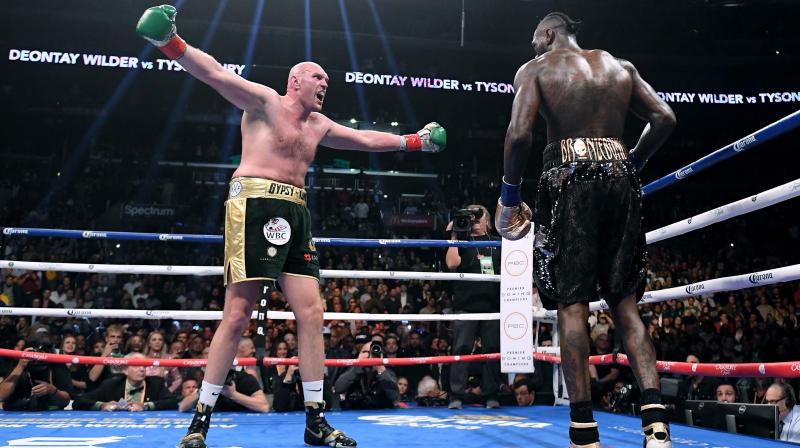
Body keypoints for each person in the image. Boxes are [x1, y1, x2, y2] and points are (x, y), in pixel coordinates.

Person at [136, 5, 445, 448]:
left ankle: (315, 420)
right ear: (294, 81)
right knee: (238, 314)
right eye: (318, 78)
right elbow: (216, 75)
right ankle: (200, 421)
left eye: (327, 81)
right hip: (254, 202)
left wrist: (414, 141)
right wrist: (170, 43)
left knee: (312, 313)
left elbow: (364, 141)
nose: (325, 85)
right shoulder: (263, 101)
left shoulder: (318, 125)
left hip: (296, 210)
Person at [495, 12, 676, 448]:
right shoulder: (620, 67)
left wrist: (508, 194)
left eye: (535, 39)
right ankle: (656, 426)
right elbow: (665, 118)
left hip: (569, 178)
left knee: (572, 305)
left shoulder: (536, 69)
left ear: (551, 33)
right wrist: (633, 161)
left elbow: (520, 135)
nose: (533, 48)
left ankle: (583, 430)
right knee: (625, 305)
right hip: (620, 177)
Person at [444, 204, 502, 410]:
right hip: (466, 305)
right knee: (461, 349)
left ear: (487, 221)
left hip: (493, 305)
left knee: (492, 351)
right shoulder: (462, 241)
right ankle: (456, 395)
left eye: (478, 216)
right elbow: (452, 264)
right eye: (470, 217)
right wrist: (454, 235)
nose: (474, 220)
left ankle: (491, 394)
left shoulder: (498, 243)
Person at [73, 352, 178, 411]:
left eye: (144, 366)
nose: (142, 369)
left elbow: (172, 402)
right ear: (125, 370)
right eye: (137, 365)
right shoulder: (111, 385)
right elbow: (78, 401)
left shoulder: (156, 383)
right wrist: (102, 405)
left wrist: (145, 406)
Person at [0, 330, 74, 411]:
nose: (40, 356)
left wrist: (52, 390)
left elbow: (66, 401)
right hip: (17, 411)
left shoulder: (57, 366)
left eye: (45, 352)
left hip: (48, 412)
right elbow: (1, 396)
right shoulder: (21, 363)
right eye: (39, 352)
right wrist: (20, 367)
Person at [334, 341, 399, 410]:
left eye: (372, 353)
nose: (369, 355)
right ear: (359, 354)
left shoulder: (387, 373)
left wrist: (380, 367)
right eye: (365, 352)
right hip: (354, 414)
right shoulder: (352, 371)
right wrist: (358, 365)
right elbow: (338, 388)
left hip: (379, 415)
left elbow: (395, 397)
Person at [178, 371, 269, 413]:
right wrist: (203, 391)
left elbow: (264, 406)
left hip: (243, 427)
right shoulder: (209, 381)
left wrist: (233, 395)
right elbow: (183, 407)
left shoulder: (244, 379)